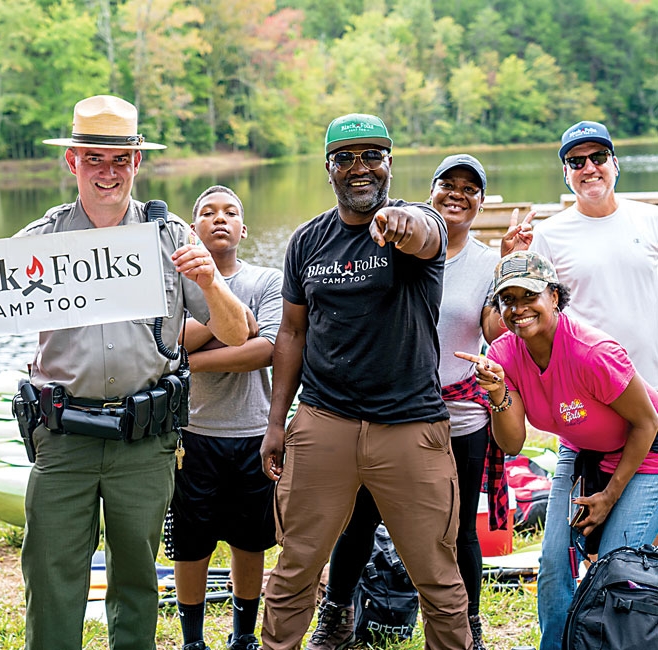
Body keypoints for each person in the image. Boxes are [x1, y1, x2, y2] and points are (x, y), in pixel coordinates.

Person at [14, 95, 250, 650]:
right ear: (71, 162)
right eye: (94, 158)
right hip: (63, 438)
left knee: (139, 582)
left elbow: (238, 332)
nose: (108, 171)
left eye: (120, 159)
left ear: (137, 164)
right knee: (50, 579)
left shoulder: (171, 239)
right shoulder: (39, 242)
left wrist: (212, 282)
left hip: (144, 443)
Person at [259, 113, 473, 650]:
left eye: (372, 156)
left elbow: (426, 236)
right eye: (346, 158)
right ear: (328, 168)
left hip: (409, 427)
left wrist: (403, 224)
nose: (360, 169)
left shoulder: (417, 221)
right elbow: (291, 332)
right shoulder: (308, 241)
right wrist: (275, 422)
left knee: (437, 576)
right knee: (296, 567)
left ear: (390, 164)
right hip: (323, 421)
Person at [306, 154, 529, 650]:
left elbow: (493, 332)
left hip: (458, 415)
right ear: (430, 192)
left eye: (470, 189)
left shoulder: (487, 262)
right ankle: (337, 616)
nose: (458, 194)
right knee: (360, 521)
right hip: (388, 414)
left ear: (481, 202)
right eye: (448, 184)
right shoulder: (394, 243)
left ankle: (466, 628)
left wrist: (509, 270)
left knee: (458, 531)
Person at [456, 250, 658, 650]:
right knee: (554, 566)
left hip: (647, 454)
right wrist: (497, 393)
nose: (518, 309)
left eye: (529, 296)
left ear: (553, 295)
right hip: (581, 451)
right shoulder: (502, 355)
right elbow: (512, 443)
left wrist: (609, 496)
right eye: (507, 300)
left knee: (615, 571)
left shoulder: (593, 353)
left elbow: (648, 422)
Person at [168, 185, 283, 650]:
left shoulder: (267, 281)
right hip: (191, 434)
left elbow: (265, 350)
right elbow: (170, 341)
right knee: (191, 542)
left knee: (249, 540)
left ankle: (243, 636)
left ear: (243, 228)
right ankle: (192, 639)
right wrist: (234, 325)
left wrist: (195, 356)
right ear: (192, 228)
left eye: (230, 212)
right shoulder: (176, 285)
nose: (220, 219)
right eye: (208, 213)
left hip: (251, 432)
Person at [530, 121, 658, 389]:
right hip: (590, 387)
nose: (589, 168)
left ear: (615, 164)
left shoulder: (651, 219)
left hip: (653, 379)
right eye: (576, 161)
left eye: (599, 157)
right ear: (566, 173)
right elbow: (537, 314)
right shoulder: (547, 234)